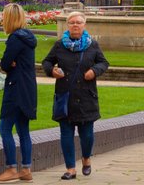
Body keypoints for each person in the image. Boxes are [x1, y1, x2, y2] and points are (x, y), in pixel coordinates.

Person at [42, 11, 109, 180]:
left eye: (78, 22)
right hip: (65, 97)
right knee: (66, 133)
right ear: (67, 25)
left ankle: (86, 158)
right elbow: (46, 62)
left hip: (86, 96)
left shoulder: (92, 45)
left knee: (87, 134)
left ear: (84, 25)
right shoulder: (59, 45)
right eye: (72, 22)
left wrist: (94, 71)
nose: (75, 25)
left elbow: (103, 62)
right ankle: (70, 168)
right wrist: (52, 70)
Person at [0, 3, 38, 183]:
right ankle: (26, 169)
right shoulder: (28, 37)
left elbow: (4, 63)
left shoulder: (15, 38)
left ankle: (11, 168)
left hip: (15, 87)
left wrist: (9, 64)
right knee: (23, 129)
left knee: (4, 128)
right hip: (28, 88)